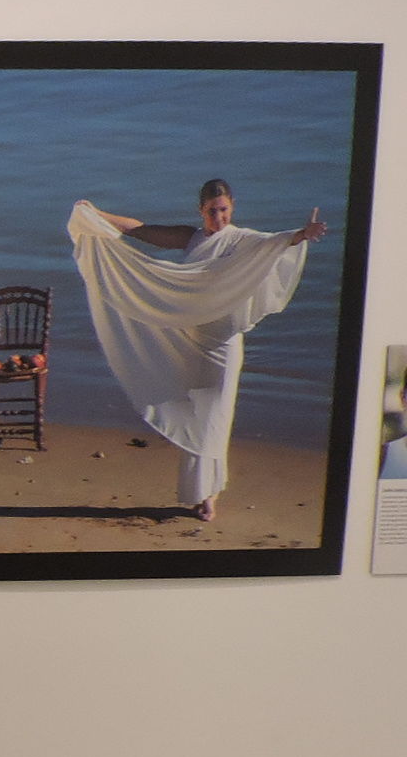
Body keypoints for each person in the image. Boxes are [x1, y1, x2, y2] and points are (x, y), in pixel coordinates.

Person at [75, 182, 326, 521]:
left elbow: (276, 241)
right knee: (197, 418)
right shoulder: (191, 238)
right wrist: (96, 213)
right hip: (189, 343)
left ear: (232, 207)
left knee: (215, 419)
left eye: (224, 210)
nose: (219, 217)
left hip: (223, 346)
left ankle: (209, 495)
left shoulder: (241, 239)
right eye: (211, 211)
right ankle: (202, 491)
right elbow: (139, 230)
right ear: (201, 211)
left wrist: (302, 234)